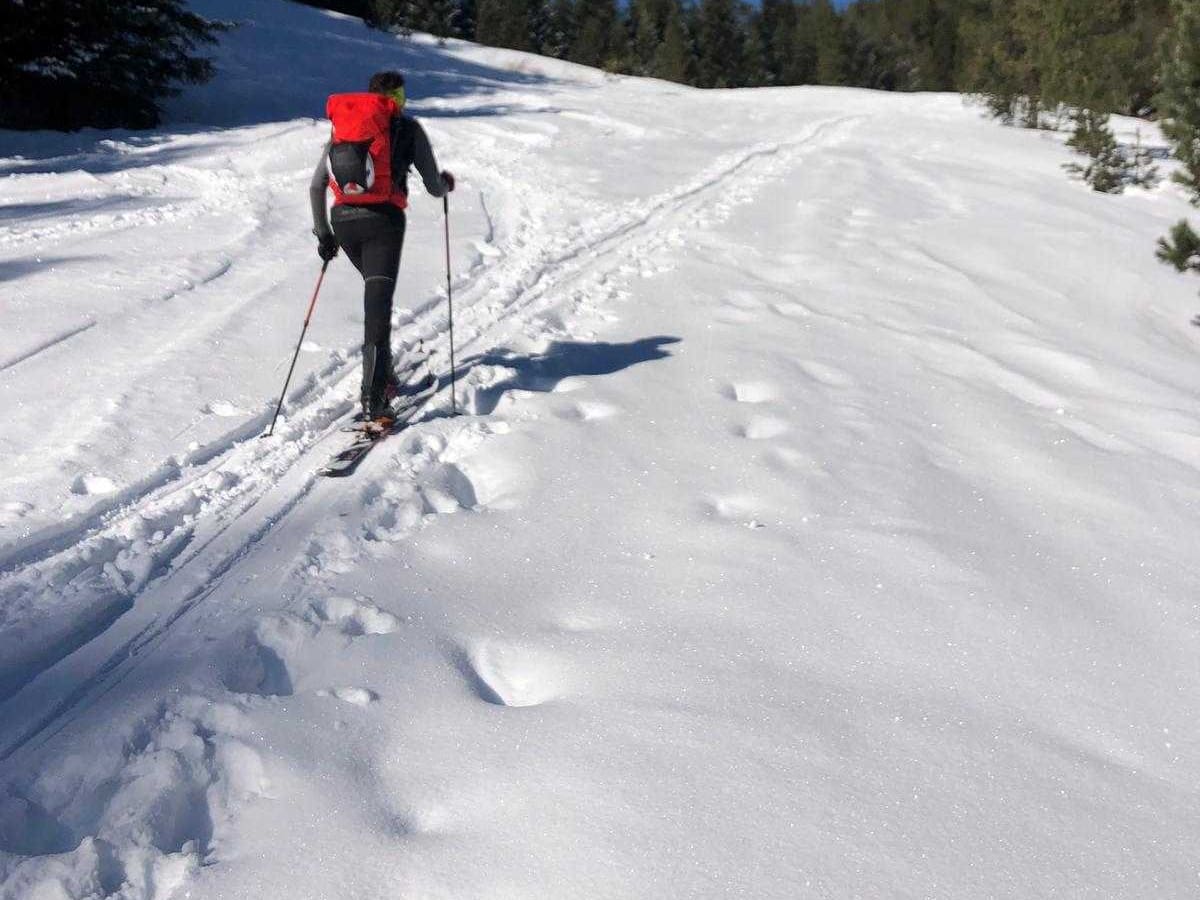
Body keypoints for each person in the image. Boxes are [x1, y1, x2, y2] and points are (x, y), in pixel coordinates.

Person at [309, 70, 455, 423]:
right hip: (384, 224)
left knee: (377, 296)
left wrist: (324, 234)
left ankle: (384, 373)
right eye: (401, 96)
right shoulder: (408, 129)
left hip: (343, 223)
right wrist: (445, 184)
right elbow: (434, 186)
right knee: (378, 307)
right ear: (397, 99)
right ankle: (374, 397)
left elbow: (316, 187)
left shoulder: (346, 130)